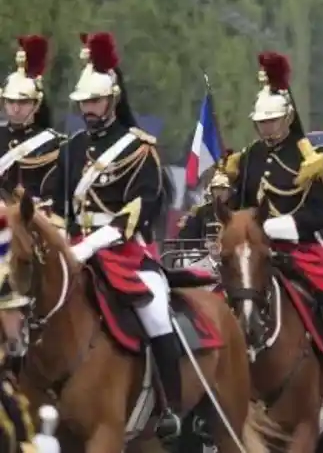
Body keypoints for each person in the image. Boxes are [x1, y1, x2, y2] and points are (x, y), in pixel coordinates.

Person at [223, 51, 323, 428]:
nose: (266, 128)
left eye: (272, 120)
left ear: (287, 118)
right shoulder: (248, 158)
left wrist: (274, 229)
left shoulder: (308, 158)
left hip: (301, 249)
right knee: (216, 303)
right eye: (261, 122)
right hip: (256, 254)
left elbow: (319, 214)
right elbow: (242, 205)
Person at [43, 33, 179, 439]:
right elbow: (59, 206)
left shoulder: (140, 150)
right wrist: (61, 239)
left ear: (113, 99)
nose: (88, 109)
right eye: (83, 102)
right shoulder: (72, 149)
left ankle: (170, 405)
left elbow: (139, 209)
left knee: (156, 311)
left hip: (125, 250)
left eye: (95, 101)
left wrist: (93, 243)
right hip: (75, 247)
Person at [0, 36, 63, 198]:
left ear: (37, 103)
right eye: (10, 101)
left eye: (23, 102)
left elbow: (52, 196)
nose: (15, 108)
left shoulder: (52, 144)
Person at [177, 158, 231, 242]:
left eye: (223, 189)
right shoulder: (202, 211)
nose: (220, 192)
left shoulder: (235, 211)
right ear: (212, 191)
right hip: (204, 251)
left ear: (229, 192)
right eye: (217, 189)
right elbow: (190, 237)